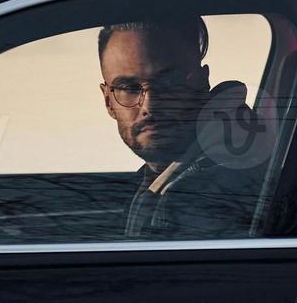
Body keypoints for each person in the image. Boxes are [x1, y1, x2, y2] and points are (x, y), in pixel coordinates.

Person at [98, 17, 267, 238]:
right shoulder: (157, 180)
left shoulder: (210, 197)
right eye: (128, 88)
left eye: (170, 83)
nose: (150, 105)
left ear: (203, 82)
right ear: (109, 102)